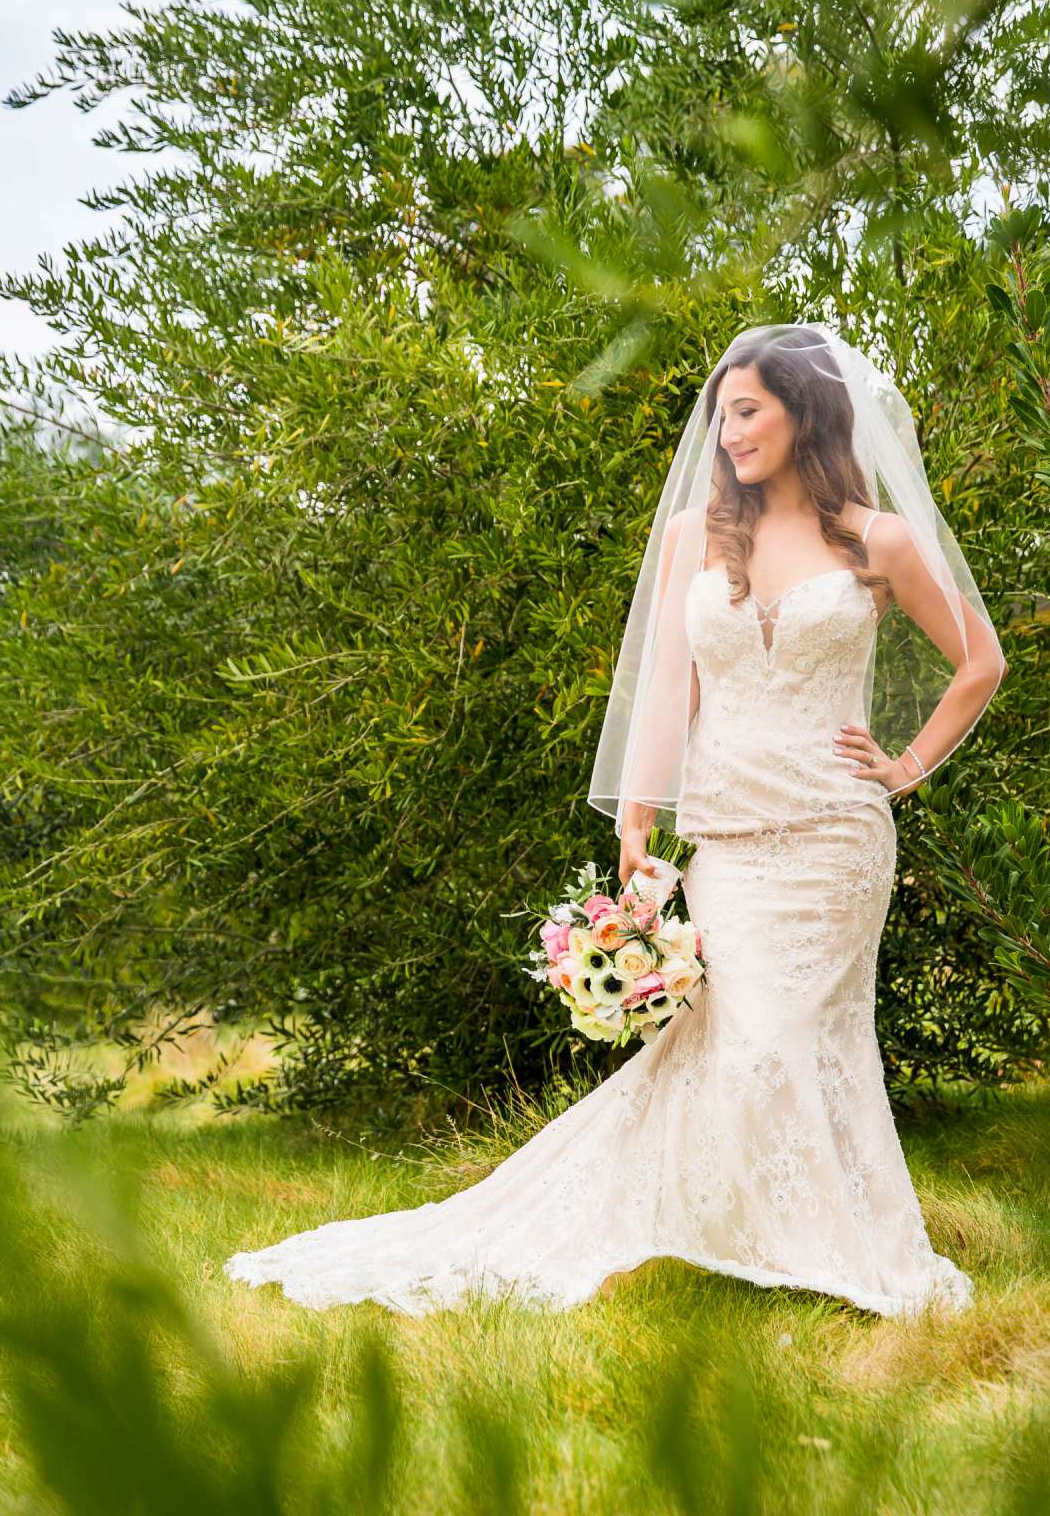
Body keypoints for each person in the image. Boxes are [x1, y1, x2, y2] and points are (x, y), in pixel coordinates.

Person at [224, 323, 1005, 1317]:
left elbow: (981, 664)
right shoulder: (695, 537)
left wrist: (904, 768)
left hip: (834, 841)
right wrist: (637, 819)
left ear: (805, 413)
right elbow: (668, 689)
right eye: (722, 415)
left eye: (749, 410)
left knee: (798, 1041)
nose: (728, 432)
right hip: (727, 837)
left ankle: (824, 1244)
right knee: (739, 1042)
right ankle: (743, 1233)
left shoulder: (877, 539)